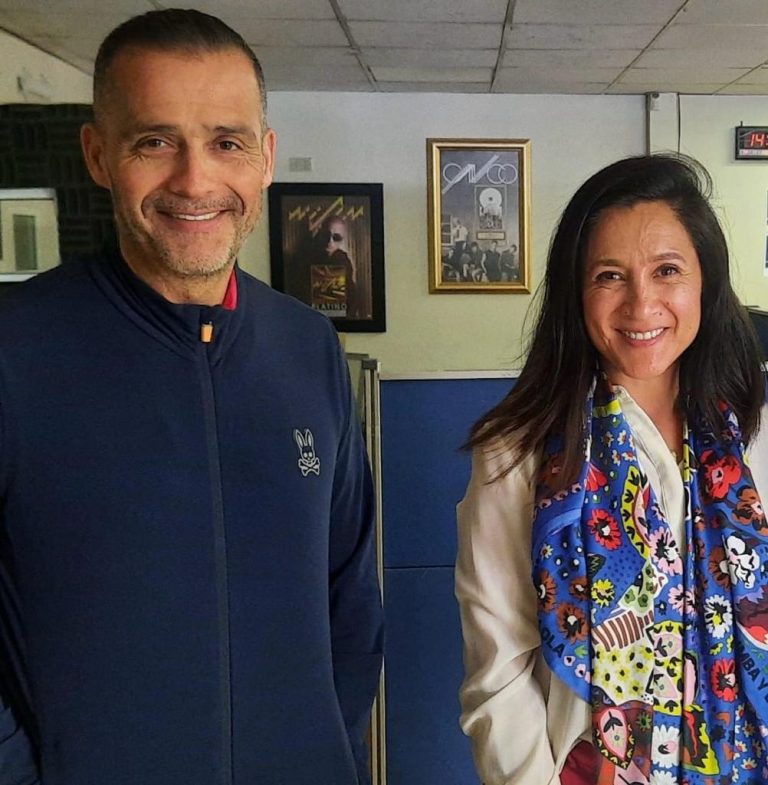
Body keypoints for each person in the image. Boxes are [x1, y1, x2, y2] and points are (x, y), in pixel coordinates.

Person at [0, 9, 383, 785]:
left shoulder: (309, 348)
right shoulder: (16, 348)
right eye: (154, 141)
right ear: (98, 154)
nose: (195, 179)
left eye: (226, 142)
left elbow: (351, 597)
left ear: (265, 158)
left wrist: (322, 750)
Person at [455, 154, 768, 785]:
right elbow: (500, 671)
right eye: (609, 276)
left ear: (705, 281)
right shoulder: (518, 449)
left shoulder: (756, 429)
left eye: (668, 270)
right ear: (577, 292)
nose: (641, 303)